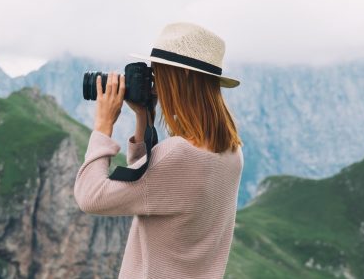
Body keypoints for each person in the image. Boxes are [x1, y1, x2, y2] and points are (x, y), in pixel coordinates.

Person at [74, 22, 243, 279]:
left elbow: (91, 197)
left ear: (183, 75)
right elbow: (150, 183)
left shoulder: (180, 154)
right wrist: (144, 116)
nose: (155, 82)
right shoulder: (231, 152)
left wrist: (103, 125)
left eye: (159, 73)